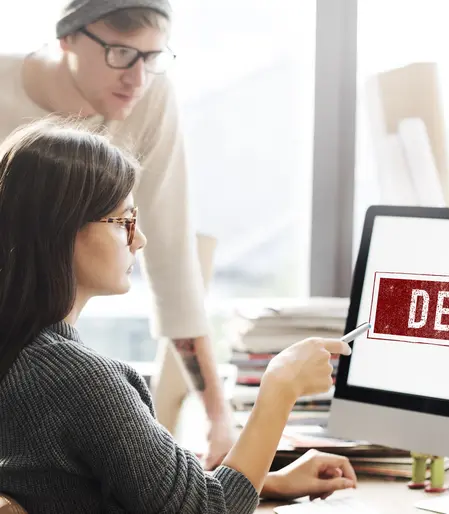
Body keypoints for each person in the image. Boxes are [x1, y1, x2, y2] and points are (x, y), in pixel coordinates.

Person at [0, 118, 357, 513]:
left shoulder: (23, 355)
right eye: (124, 222)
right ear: (63, 230)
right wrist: (281, 387)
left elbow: (95, 487)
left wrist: (265, 482)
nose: (140, 240)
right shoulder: (77, 380)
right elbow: (207, 510)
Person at [0, 0, 235, 468]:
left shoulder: (150, 96)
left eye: (154, 57)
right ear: (67, 37)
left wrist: (218, 417)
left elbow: (171, 258)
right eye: (121, 53)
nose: (138, 78)